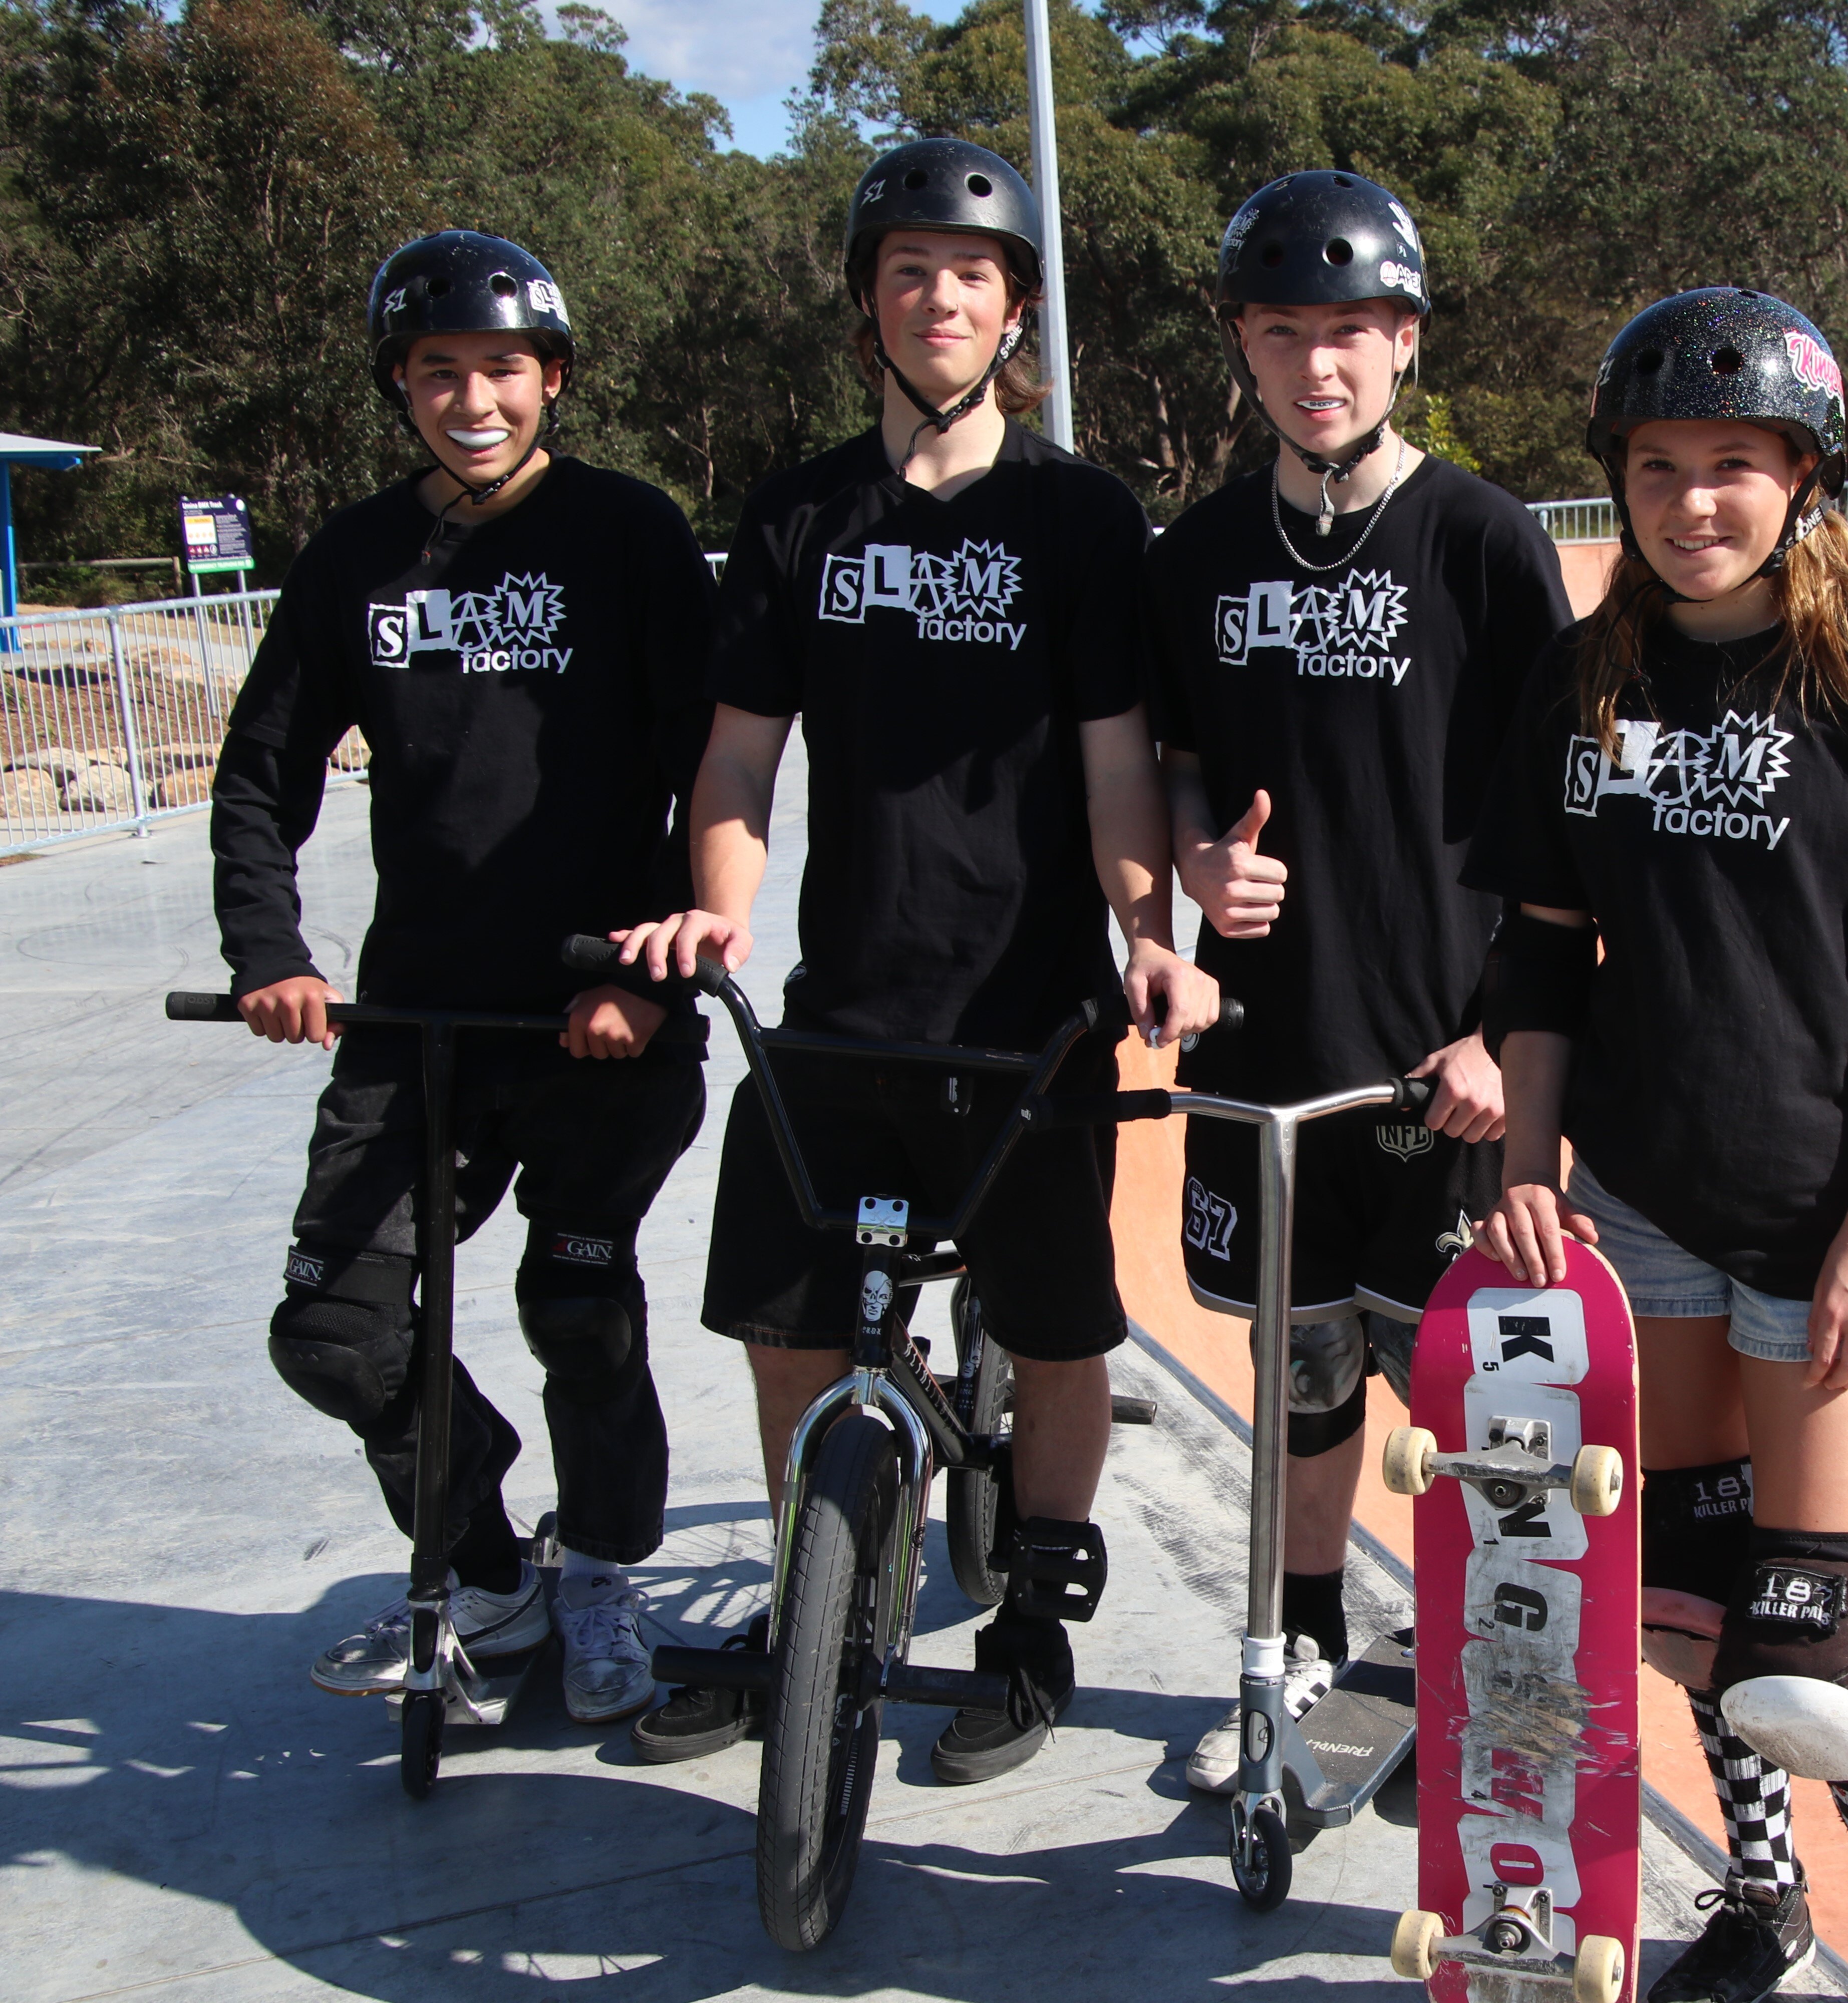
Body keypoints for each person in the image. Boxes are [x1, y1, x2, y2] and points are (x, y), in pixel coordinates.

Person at [618, 137, 1218, 1782]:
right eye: (906, 271)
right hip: (847, 1010)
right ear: (868, 305)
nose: (937, 296)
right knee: (784, 1322)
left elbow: (1116, 767)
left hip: (1030, 1021)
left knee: (1057, 1329)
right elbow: (738, 758)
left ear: (1013, 309)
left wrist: (1150, 942)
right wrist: (722, 904)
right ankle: (805, 1597)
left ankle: (1030, 1612)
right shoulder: (803, 508)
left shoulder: (1082, 516)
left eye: (970, 273)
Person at [1468, 288, 1848, 2003]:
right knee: (1690, 1607)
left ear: (1802, 474)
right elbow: (1545, 944)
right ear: (1617, 482)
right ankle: (1760, 1902)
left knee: (1822, 1641)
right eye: (1657, 466)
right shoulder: (1592, 676)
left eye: (1732, 465)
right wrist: (1528, 1164)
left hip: (1810, 1212)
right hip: (1638, 1200)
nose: (1692, 501)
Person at [210, 229, 716, 1727]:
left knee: (580, 1309)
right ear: (401, 387)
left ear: (550, 379)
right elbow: (261, 773)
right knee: (337, 1330)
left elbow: (714, 776)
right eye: (439, 371)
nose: (473, 398)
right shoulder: (355, 560)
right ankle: (488, 1565)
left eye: (503, 368)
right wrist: (271, 952)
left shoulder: (627, 534)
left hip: (597, 1021)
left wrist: (652, 975)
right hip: (413, 1015)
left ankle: (609, 1581)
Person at [1146, 169, 1574, 1790]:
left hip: (1440, 1064)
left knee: (1469, 1407)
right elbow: (1173, 763)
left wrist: (1504, 1033)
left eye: (1350, 332)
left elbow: (1564, 814)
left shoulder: (1480, 541)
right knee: (1303, 1381)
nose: (1317, 364)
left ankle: (1479, 1671)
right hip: (1266, 1056)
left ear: (1401, 340)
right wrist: (1195, 859)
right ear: (1243, 350)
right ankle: (1306, 1651)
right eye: (1282, 333)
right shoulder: (1191, 557)